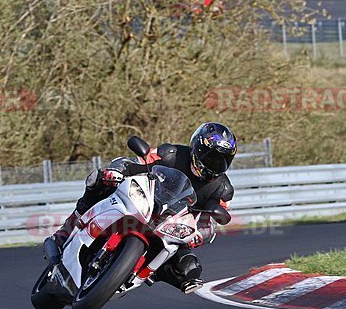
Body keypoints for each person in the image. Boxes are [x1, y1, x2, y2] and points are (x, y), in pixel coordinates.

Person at [45, 122, 237, 294]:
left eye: (222, 160)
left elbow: (210, 223)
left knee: (190, 267)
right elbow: (137, 162)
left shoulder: (223, 190)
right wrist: (116, 171)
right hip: (146, 201)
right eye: (211, 157)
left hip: (171, 226)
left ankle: (139, 273)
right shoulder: (171, 154)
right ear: (197, 148)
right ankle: (65, 232)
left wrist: (198, 234)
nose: (215, 165)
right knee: (99, 182)